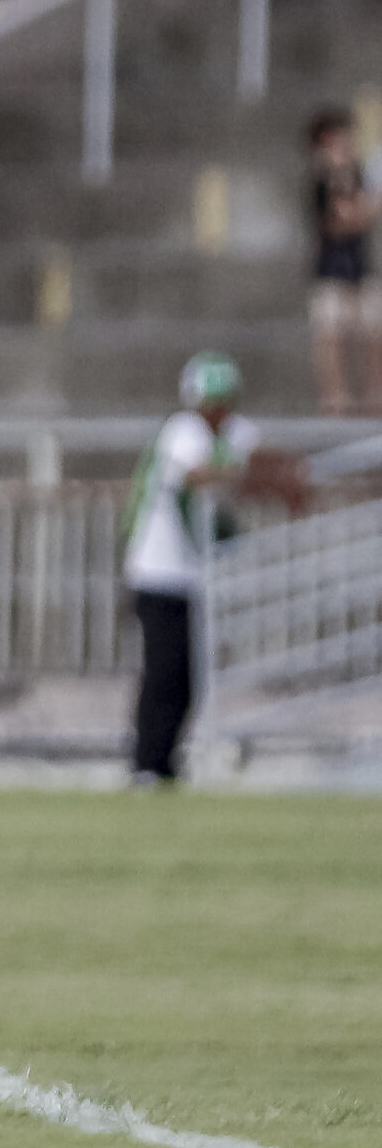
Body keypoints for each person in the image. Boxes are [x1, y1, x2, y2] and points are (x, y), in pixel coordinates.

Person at [122, 352, 306, 784]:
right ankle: (148, 762)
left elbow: (260, 451)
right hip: (157, 571)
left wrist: (289, 473)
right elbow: (200, 474)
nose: (218, 411)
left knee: (188, 674)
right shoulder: (180, 432)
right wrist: (262, 478)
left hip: (191, 576)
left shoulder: (232, 433)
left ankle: (166, 761)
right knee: (163, 672)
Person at [306, 108, 381, 417]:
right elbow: (341, 219)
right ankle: (335, 397)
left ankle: (376, 393)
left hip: (359, 268)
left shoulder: (360, 173)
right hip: (331, 271)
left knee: (373, 332)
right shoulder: (322, 178)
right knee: (330, 336)